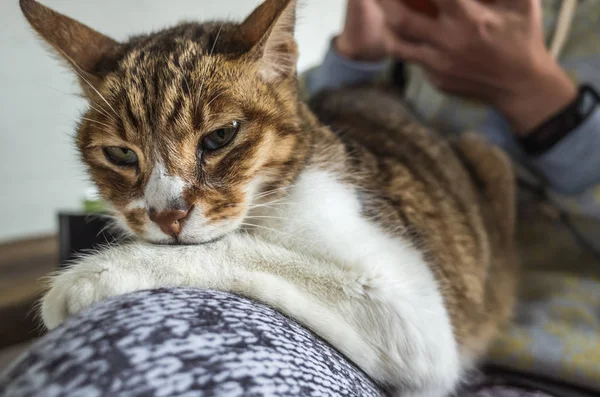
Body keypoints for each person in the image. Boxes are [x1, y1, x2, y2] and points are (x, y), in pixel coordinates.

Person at [302, 0, 600, 393]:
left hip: (553, 361)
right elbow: (284, 151)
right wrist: (355, 61)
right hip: (362, 328)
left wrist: (535, 93)